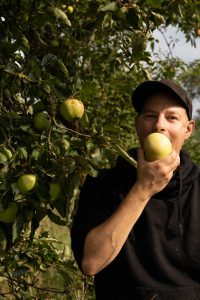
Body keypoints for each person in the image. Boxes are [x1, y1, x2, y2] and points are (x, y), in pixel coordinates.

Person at [71, 79, 200, 300]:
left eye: (171, 117)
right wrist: (142, 190)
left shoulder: (198, 185)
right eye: (150, 116)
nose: (159, 125)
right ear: (137, 124)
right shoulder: (104, 183)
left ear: (188, 129)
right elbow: (91, 262)